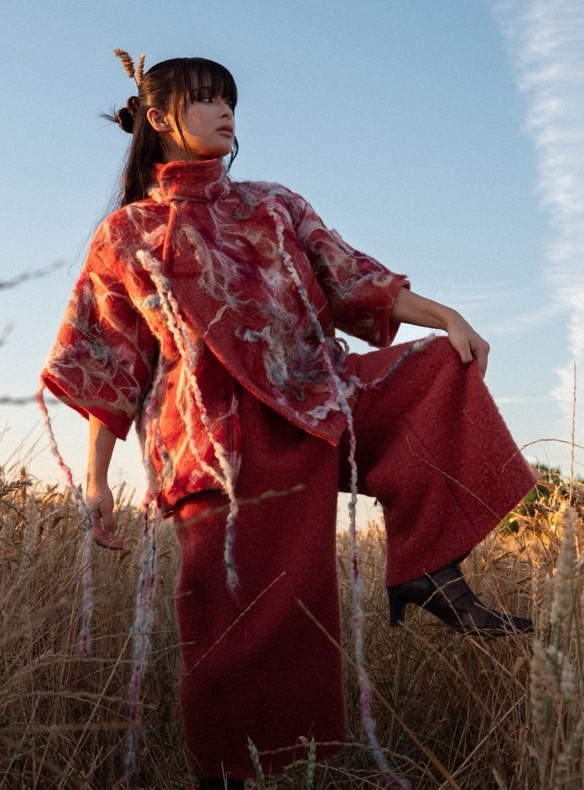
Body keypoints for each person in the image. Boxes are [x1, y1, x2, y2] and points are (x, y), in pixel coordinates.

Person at [40, 53, 536, 789]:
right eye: (206, 99)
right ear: (159, 117)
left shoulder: (273, 205)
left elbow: (352, 277)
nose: (225, 111)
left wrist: (447, 316)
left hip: (317, 399)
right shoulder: (127, 234)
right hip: (219, 447)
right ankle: (231, 778)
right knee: (246, 628)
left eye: (229, 99)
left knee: (438, 368)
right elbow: (111, 362)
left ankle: (428, 568)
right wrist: (97, 480)